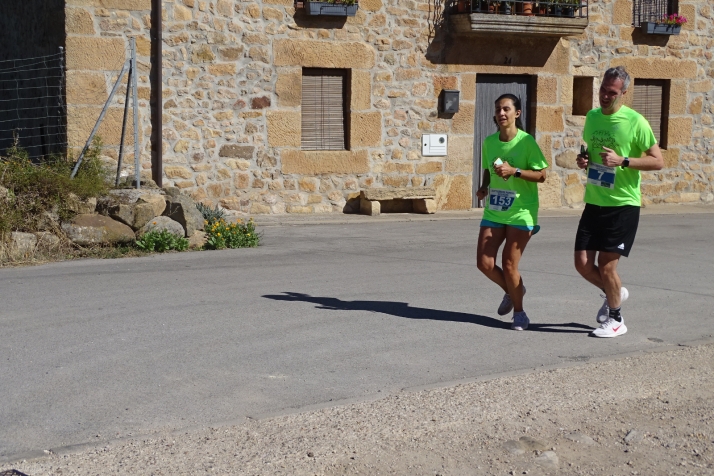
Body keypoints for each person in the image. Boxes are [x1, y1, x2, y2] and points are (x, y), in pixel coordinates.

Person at [575, 66, 664, 338]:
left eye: (611, 93)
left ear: (624, 93)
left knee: (606, 265)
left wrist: (623, 160)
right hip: (594, 201)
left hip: (623, 204)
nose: (604, 96)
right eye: (602, 90)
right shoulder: (591, 117)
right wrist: (584, 161)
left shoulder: (636, 122)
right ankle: (614, 291)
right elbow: (589, 154)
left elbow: (658, 161)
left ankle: (616, 320)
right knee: (581, 263)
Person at [476, 94, 548, 331]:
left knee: (509, 265)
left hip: (522, 211)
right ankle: (512, 289)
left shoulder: (526, 142)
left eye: (506, 109)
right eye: (498, 109)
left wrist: (515, 171)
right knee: (484, 263)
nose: (501, 113)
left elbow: (542, 175)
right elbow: (489, 169)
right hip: (495, 210)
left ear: (517, 113)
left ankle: (520, 313)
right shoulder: (489, 142)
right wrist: (484, 186)